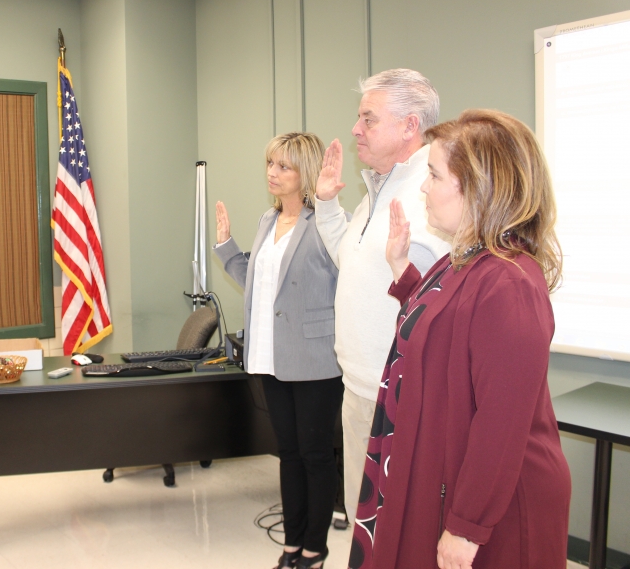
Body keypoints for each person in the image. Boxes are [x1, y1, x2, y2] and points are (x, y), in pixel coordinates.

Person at [348, 109, 571, 569]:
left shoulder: (509, 281)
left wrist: (468, 525)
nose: (425, 188)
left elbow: (502, 420)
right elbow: (447, 331)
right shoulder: (468, 261)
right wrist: (402, 271)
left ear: (477, 187)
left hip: (497, 507)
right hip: (450, 476)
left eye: (434, 175)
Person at [314, 69, 451, 523]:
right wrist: (328, 205)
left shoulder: (435, 193)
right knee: (363, 526)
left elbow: (443, 299)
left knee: (400, 533)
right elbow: (350, 260)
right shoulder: (379, 187)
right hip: (358, 387)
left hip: (401, 395)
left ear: (410, 126)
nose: (355, 129)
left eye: (368, 119)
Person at [214, 132, 344, 569]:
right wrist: (226, 245)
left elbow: (345, 280)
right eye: (270, 163)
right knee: (288, 454)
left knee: (315, 454)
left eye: (283, 166)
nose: (272, 172)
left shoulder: (324, 222)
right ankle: (292, 544)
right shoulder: (268, 222)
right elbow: (257, 280)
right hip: (270, 357)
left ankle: (315, 548)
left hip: (315, 360)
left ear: (303, 172)